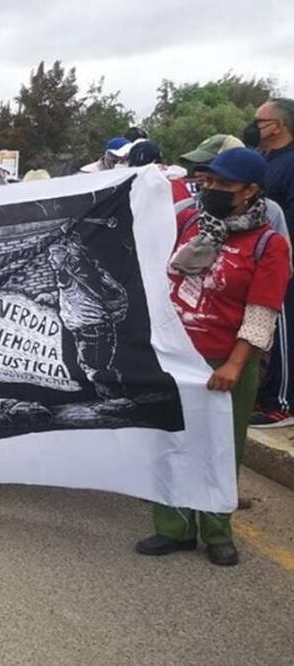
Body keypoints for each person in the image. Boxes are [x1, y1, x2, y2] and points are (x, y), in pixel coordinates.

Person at [137, 148, 290, 566]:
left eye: (224, 185)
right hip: (174, 355)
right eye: (209, 182)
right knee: (170, 442)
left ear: (250, 191)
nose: (212, 190)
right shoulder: (189, 223)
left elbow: (263, 311)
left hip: (224, 359)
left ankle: (217, 530)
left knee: (220, 447)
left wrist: (236, 365)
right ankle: (173, 528)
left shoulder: (267, 243)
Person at [244, 99, 294, 428]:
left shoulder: (290, 163)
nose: (253, 126)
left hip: (284, 259)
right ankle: (267, 392)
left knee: (287, 331)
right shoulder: (265, 160)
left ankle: (283, 403)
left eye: (259, 120)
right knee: (270, 333)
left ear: (278, 125)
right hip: (262, 258)